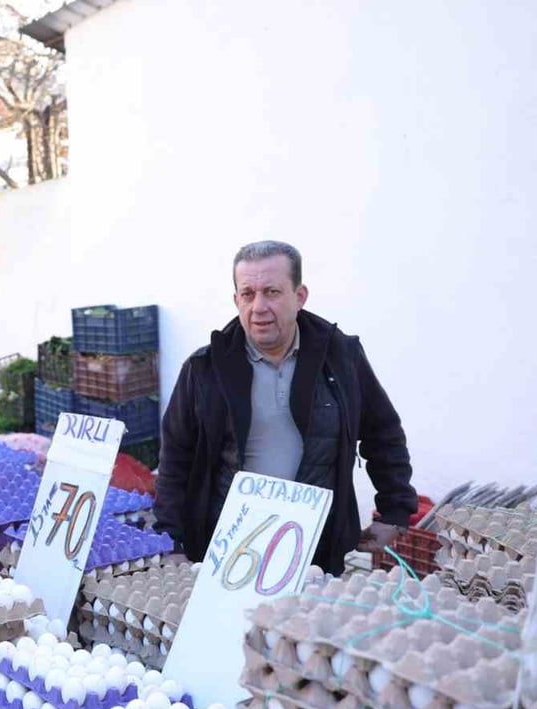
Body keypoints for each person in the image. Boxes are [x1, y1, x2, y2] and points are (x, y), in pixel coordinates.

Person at [155, 240, 417, 575]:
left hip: (316, 548)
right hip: (230, 544)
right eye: (248, 294)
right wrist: (171, 541)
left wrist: (394, 511)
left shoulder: (341, 357)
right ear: (236, 300)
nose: (259, 307)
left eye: (272, 292)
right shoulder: (205, 368)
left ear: (300, 296)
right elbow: (175, 458)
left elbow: (383, 433)